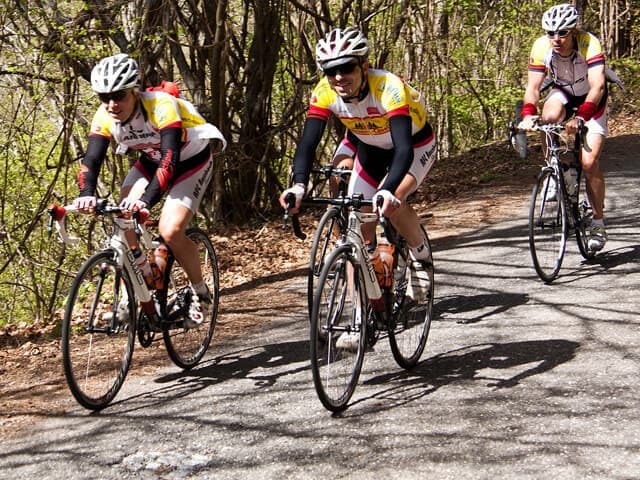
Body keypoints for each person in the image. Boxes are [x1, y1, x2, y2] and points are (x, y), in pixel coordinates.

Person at [279, 27, 437, 303]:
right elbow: (307, 144)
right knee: (352, 203)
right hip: (370, 146)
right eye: (331, 71)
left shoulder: (388, 87)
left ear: (364, 65)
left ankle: (421, 258)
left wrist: (387, 189)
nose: (339, 77)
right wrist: (299, 185)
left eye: (347, 67)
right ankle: (370, 264)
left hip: (413, 145)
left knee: (394, 202)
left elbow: (403, 149)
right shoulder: (324, 93)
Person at [73, 53, 226, 326]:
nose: (111, 104)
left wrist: (145, 201)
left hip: (190, 160)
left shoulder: (161, 105)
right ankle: (137, 287)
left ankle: (200, 293)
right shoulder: (105, 115)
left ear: (134, 91)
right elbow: (92, 159)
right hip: (152, 160)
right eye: (104, 97)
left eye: (119, 95)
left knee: (170, 230)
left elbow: (170, 157)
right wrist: (86, 194)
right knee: (122, 217)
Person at [518, 4, 609, 251]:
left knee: (589, 164)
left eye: (562, 33)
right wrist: (528, 114)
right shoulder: (541, 47)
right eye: (550, 33)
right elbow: (533, 87)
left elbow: (598, 86)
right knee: (548, 119)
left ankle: (598, 222)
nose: (556, 39)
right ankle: (554, 171)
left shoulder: (589, 43)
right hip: (564, 92)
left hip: (591, 99)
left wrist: (581, 118)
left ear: (573, 31)